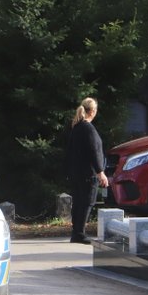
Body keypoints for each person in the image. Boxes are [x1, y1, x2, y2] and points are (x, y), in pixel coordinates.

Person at [66, 97, 108, 244]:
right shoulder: (88, 129)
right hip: (87, 173)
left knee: (78, 201)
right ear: (93, 111)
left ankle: (75, 231)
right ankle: (79, 232)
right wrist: (100, 171)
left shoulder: (76, 127)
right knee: (87, 202)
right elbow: (94, 151)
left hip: (75, 172)